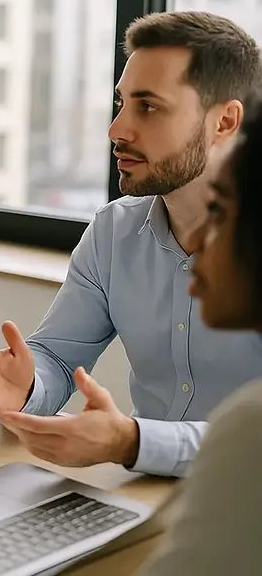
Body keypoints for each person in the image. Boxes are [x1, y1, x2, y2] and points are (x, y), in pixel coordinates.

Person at [0, 11, 262, 477]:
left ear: (224, 122)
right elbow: (58, 355)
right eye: (121, 104)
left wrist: (134, 441)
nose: (117, 130)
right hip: (140, 494)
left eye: (149, 107)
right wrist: (27, 383)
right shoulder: (114, 231)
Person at [138, 96, 262, 575]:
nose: (198, 240)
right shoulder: (113, 229)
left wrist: (133, 440)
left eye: (222, 212)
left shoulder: (251, 427)